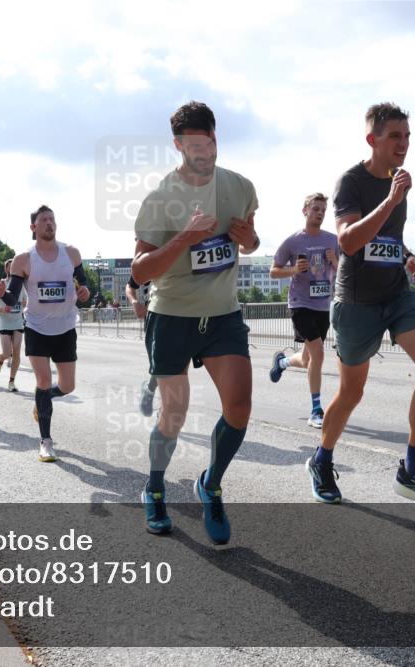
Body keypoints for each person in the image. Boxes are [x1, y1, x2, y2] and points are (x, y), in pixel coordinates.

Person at [312, 102, 415, 513]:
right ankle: (322, 459)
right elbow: (348, 241)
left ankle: (413, 470)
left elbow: (389, 237)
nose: (404, 144)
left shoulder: (399, 181)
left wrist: (408, 257)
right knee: (351, 392)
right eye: (395, 136)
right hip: (357, 303)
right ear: (372, 140)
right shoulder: (350, 182)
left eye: (408, 136)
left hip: (397, 294)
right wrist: (392, 200)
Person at [131, 101, 259, 544]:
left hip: (223, 314)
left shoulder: (240, 187)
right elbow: (140, 271)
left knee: (239, 407)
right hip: (173, 316)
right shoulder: (161, 198)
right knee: (174, 413)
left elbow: (250, 239)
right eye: (195, 145)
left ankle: (211, 482)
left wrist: (250, 240)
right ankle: (155, 486)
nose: (205, 152)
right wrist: (186, 237)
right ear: (179, 146)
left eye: (210, 142)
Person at [0, 205, 90, 462]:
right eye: (44, 220)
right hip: (36, 327)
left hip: (66, 326)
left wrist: (85, 292)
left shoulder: (71, 253)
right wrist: (3, 294)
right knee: (43, 381)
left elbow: (85, 284)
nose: (50, 223)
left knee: (67, 386)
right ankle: (46, 441)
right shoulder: (24, 259)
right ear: (33, 227)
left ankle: (42, 401)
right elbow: (13, 295)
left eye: (52, 219)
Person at [269, 193, 339, 428]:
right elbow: (273, 270)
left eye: (323, 210)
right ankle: (316, 411)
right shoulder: (293, 241)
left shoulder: (333, 240)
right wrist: (292, 270)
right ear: (305, 211)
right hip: (300, 304)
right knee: (318, 354)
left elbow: (345, 272)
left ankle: (282, 363)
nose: (319, 213)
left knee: (309, 358)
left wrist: (336, 262)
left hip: (322, 304)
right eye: (315, 209)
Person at [0, 258, 26, 393]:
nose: (12, 269)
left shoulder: (21, 285)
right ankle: (0, 359)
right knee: (7, 353)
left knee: (16, 352)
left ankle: (11, 382)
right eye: (10, 267)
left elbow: (26, 301)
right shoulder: (0, 284)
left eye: (14, 267)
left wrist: (23, 304)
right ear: (6, 269)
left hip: (18, 321)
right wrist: (2, 309)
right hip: (4, 321)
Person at [125, 274, 156, 416]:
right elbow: (130, 287)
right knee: (162, 366)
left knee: (178, 368)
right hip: (155, 320)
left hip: (186, 316)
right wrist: (135, 302)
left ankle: (164, 408)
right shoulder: (151, 259)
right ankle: (150, 391)